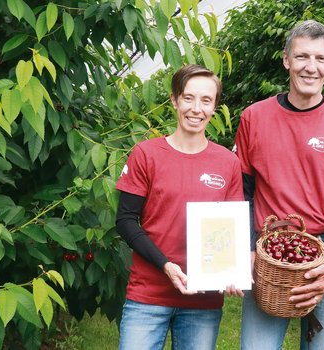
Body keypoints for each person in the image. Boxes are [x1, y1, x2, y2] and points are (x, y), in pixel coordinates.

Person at [234, 20, 324, 349]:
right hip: (269, 253)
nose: (311, 67)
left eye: (321, 59)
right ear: (286, 59)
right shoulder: (254, 117)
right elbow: (242, 192)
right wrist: (249, 247)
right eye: (302, 56)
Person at [115, 64, 245, 350]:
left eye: (206, 100)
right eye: (188, 98)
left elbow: (230, 227)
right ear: (174, 100)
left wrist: (233, 271)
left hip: (203, 302)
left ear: (214, 107)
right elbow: (125, 220)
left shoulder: (227, 162)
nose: (196, 108)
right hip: (148, 295)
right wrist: (166, 266)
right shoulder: (146, 154)